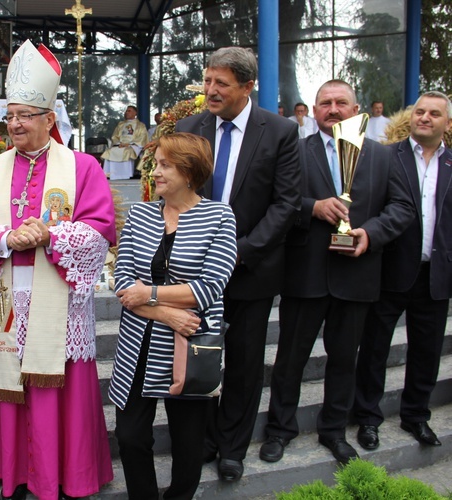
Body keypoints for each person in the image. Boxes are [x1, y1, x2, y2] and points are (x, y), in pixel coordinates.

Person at [0, 40, 115, 500]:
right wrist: (5, 238)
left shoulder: (82, 167)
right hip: (6, 293)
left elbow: (101, 227)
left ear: (49, 119)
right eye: (10, 117)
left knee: (56, 389)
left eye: (25, 115)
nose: (15, 124)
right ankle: (16, 472)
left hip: (57, 294)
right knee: (9, 385)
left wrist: (50, 235)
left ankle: (63, 473)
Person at [259, 80, 414, 467]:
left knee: (345, 360)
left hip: (358, 273)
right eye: (325, 103)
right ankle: (280, 430)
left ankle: (333, 431)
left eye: (341, 103)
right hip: (305, 273)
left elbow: (402, 208)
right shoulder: (293, 150)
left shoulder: (381, 156)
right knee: (290, 360)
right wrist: (311, 207)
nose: (333, 109)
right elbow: (276, 200)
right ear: (313, 111)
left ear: (357, 108)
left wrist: (370, 233)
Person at [175, 46, 301, 482]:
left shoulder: (281, 131)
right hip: (194, 274)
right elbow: (174, 196)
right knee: (198, 358)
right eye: (207, 80)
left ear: (247, 87)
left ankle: (232, 448)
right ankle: (203, 440)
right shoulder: (189, 128)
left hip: (252, 271)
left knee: (246, 363)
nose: (210, 90)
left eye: (221, 83)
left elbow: (285, 206)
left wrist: (237, 252)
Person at [110, 133, 237, 499]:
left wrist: (147, 293)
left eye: (165, 164)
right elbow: (122, 282)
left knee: (189, 445)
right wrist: (166, 312)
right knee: (131, 435)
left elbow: (209, 286)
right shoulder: (140, 213)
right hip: (139, 344)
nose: (155, 171)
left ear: (189, 170)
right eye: (156, 163)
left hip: (191, 346)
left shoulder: (218, 216)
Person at [353, 91, 452, 450]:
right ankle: (367, 417)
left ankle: (416, 417)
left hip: (435, 275)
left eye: (434, 114)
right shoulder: (386, 157)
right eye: (420, 111)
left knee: (426, 352)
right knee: (375, 348)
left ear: (447, 123)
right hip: (391, 270)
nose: (424, 118)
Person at [101, 105, 149, 180]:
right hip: (120, 145)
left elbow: (142, 137)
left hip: (132, 145)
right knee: (109, 152)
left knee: (127, 152)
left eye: (129, 111)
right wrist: (118, 143)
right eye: (126, 111)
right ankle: (109, 174)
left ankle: (126, 174)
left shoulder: (140, 125)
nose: (126, 112)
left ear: (135, 113)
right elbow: (115, 136)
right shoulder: (121, 124)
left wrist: (129, 144)